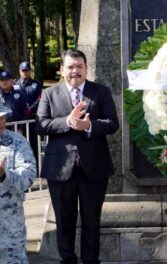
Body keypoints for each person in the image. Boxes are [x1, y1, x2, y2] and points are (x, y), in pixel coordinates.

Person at [36, 49, 119, 264]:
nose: (75, 71)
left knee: (92, 220)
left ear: (86, 69)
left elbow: (112, 123)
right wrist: (67, 122)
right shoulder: (49, 94)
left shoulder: (100, 92)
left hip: (94, 168)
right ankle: (68, 260)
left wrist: (88, 125)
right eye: (70, 67)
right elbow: (41, 124)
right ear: (62, 70)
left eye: (79, 67)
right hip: (60, 169)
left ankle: (91, 260)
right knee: (64, 220)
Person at [0, 106, 37, 263]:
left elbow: (29, 176)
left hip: (9, 236)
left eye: (2, 117)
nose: (1, 121)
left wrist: (4, 175)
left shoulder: (17, 141)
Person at [14, 61, 43, 162]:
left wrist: (30, 109)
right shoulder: (14, 85)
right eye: (23, 70)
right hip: (19, 120)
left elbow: (40, 98)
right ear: (20, 72)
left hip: (32, 119)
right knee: (19, 145)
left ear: (30, 71)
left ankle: (37, 167)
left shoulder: (37, 84)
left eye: (27, 70)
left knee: (34, 144)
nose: (25, 72)